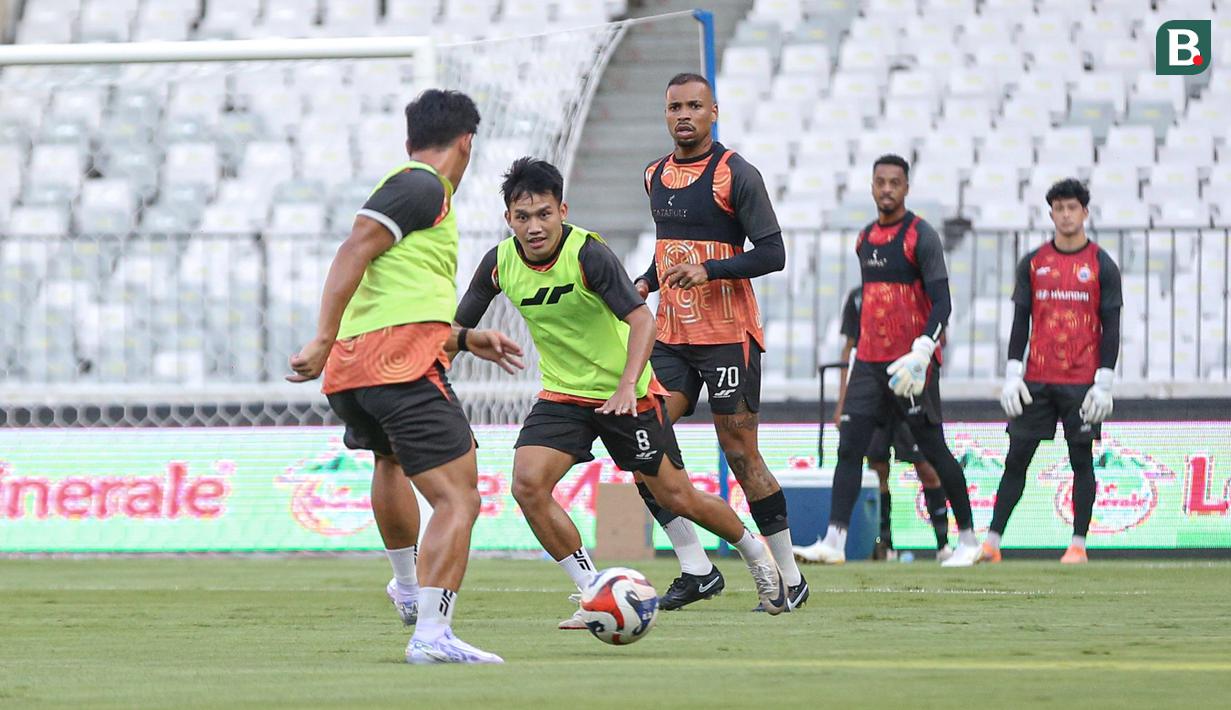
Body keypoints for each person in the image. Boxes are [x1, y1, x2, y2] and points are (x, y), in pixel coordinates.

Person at [454, 157, 788, 627]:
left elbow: (642, 319)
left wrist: (629, 385)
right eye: (523, 217)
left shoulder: (588, 254)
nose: (534, 227)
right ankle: (593, 590)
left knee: (677, 496)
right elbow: (453, 329)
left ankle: (756, 555)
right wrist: (455, 348)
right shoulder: (498, 263)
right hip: (563, 395)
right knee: (527, 485)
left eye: (544, 214)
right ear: (508, 218)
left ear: (563, 211)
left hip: (626, 393)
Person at [288, 89, 524, 665]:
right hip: (397, 367)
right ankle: (432, 634)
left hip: (356, 370)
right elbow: (353, 249)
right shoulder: (424, 186)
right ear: (466, 142)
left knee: (389, 460)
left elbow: (397, 296)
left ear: (410, 138)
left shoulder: (410, 190)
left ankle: (408, 587)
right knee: (459, 498)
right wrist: (320, 335)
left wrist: (464, 338)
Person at [632, 72, 807, 612]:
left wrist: (710, 270)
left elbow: (773, 253)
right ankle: (696, 568)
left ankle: (790, 577)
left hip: (728, 336)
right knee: (640, 440)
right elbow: (670, 250)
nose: (683, 115)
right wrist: (646, 282)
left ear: (714, 112)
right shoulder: (654, 174)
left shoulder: (736, 174)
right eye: (674, 107)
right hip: (671, 336)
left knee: (740, 453)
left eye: (694, 106)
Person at [792, 154, 982, 567]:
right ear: (872, 186)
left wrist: (923, 351)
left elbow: (942, 303)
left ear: (906, 188)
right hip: (869, 363)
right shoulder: (864, 239)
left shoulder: (921, 236)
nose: (887, 189)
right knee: (849, 448)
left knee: (934, 451)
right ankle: (834, 541)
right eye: (880, 182)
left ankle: (968, 540)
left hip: (910, 366)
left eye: (895, 182)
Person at [987, 179, 1122, 564]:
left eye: (1072, 208)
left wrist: (1104, 380)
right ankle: (992, 543)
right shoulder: (1033, 263)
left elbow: (1111, 325)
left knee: (1081, 460)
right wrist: (1013, 373)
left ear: (1085, 213)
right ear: (1051, 214)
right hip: (1037, 379)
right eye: (1059, 208)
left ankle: (1078, 544)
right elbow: (1020, 321)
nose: (1065, 215)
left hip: (1081, 381)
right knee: (1017, 457)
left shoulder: (1101, 264)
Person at [829, 286, 953, 561]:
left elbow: (939, 337)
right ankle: (886, 543)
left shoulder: (917, 291)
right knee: (878, 467)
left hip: (908, 387)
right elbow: (850, 348)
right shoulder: (858, 297)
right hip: (873, 390)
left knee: (926, 466)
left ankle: (944, 544)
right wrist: (843, 402)